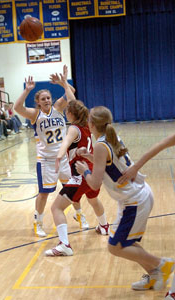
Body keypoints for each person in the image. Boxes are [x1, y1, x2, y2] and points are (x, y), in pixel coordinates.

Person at [75, 105, 175, 291]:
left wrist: (85, 170)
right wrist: (90, 157)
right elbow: (109, 164)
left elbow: (94, 183)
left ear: (91, 124)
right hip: (136, 196)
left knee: (115, 246)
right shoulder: (110, 137)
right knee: (127, 242)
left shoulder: (100, 145)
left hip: (134, 200)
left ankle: (163, 264)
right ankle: (155, 276)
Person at [14, 65, 88, 237]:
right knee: (44, 193)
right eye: (43, 99)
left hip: (64, 158)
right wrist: (27, 90)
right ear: (38, 102)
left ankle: (79, 215)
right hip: (46, 161)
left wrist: (63, 83)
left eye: (48, 98)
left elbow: (72, 96)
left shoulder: (58, 108)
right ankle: (37, 222)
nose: (47, 100)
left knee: (72, 188)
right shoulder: (35, 114)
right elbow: (17, 108)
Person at [44, 78, 109, 257]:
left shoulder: (73, 128)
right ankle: (104, 226)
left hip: (80, 173)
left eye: (67, 111)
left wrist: (58, 157)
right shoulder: (87, 123)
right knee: (93, 200)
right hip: (92, 171)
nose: (65, 113)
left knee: (56, 208)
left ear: (72, 114)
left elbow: (64, 143)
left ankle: (64, 244)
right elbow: (73, 102)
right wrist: (64, 83)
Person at [117, 133, 175, 299]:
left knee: (120, 243)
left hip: (133, 198)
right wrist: (136, 166)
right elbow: (164, 142)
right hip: (128, 199)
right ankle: (155, 276)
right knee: (122, 242)